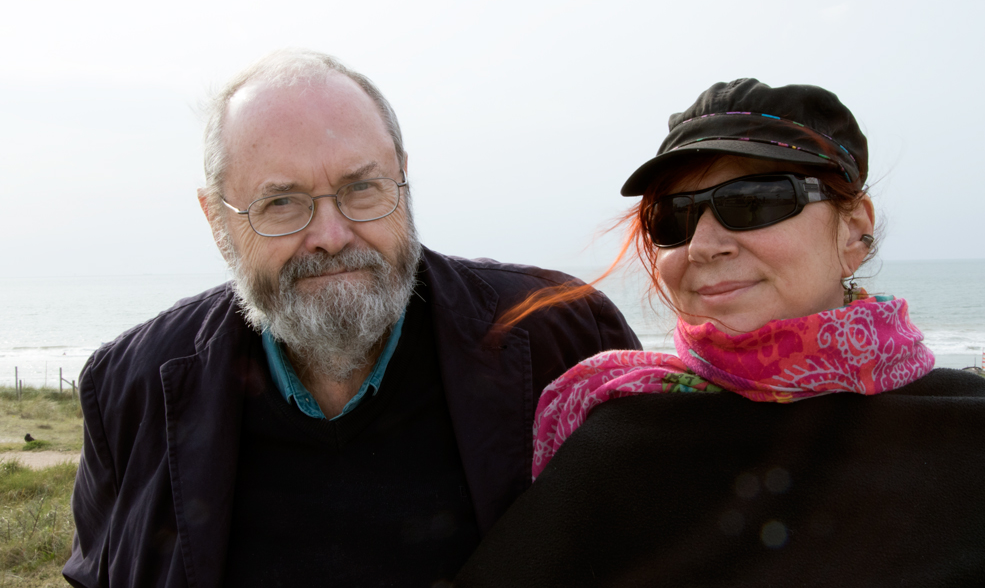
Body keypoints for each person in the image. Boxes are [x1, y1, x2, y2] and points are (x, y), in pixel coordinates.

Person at [64, 49, 641, 588]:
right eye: (281, 202)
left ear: (403, 181)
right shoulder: (128, 389)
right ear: (217, 219)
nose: (332, 236)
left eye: (361, 188)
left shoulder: (568, 336)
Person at [457, 79, 985, 587]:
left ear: (854, 230)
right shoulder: (615, 441)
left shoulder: (978, 433)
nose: (702, 246)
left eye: (754, 202)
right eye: (673, 218)